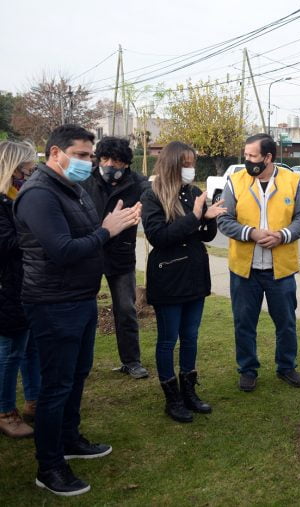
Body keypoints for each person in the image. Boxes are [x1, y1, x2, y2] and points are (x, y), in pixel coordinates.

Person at [14, 124, 141, 496]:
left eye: (90, 155)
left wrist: (108, 227)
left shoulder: (71, 189)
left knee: (77, 375)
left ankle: (70, 439)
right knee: (56, 387)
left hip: (82, 299)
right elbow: (64, 249)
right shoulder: (39, 194)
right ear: (55, 153)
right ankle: (49, 466)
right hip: (53, 304)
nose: (89, 162)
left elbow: (89, 232)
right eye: (83, 155)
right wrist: (107, 230)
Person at [218, 133, 300, 392]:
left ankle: (286, 367)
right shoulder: (235, 182)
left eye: (252, 156)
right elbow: (224, 220)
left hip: (280, 270)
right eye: (246, 155)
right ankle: (247, 370)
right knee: (244, 323)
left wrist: (283, 235)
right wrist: (251, 233)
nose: (247, 160)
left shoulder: (293, 182)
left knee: (286, 322)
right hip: (244, 270)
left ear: (268, 157)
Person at [141, 141, 225, 423]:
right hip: (168, 277)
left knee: (191, 335)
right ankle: (172, 397)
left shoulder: (194, 192)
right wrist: (195, 217)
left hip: (194, 275)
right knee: (168, 339)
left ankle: (189, 391)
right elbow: (159, 237)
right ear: (173, 164)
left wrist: (209, 218)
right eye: (186, 164)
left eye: (193, 163)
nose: (191, 169)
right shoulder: (152, 195)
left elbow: (205, 236)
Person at [80, 137, 149, 379]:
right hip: (88, 253)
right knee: (83, 311)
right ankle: (81, 365)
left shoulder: (138, 183)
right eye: (106, 159)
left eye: (117, 161)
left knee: (126, 309)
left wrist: (146, 211)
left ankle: (131, 361)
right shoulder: (85, 180)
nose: (110, 165)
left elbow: (153, 205)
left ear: (127, 163)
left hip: (121, 255)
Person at [0, 140, 41, 438]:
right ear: (12, 170)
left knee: (30, 348)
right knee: (10, 351)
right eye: (27, 171)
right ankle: (5, 411)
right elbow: (6, 244)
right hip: (7, 289)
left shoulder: (16, 200)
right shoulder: (5, 204)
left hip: (25, 286)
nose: (29, 177)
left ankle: (34, 400)